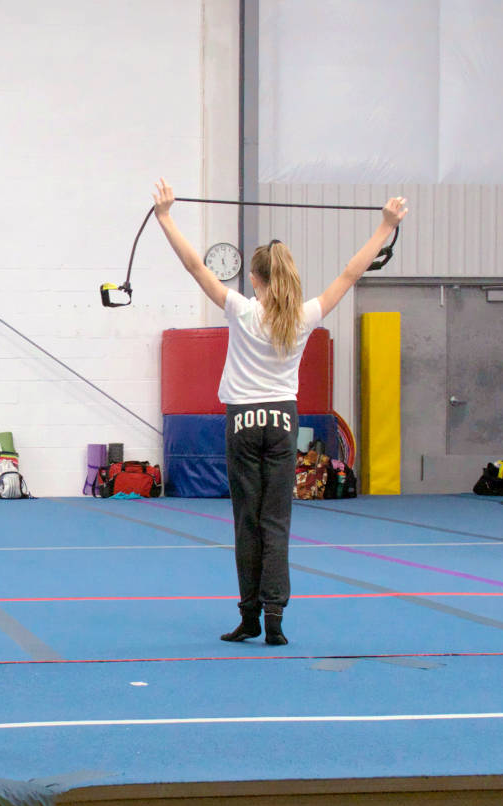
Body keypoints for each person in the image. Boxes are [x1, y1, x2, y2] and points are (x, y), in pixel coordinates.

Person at [152, 179, 406, 646]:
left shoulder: (242, 311)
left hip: (243, 422)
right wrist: (385, 227)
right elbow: (351, 274)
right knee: (276, 521)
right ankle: (274, 617)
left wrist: (166, 216)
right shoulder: (304, 316)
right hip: (283, 422)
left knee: (247, 520)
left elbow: (194, 266)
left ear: (255, 278)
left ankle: (249, 616)